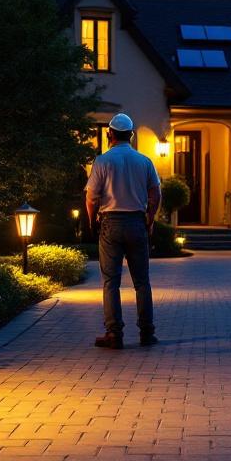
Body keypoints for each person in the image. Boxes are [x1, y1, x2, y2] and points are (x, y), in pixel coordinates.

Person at [85, 113, 162, 349]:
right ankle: (146, 333)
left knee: (111, 282)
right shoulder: (144, 161)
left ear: (109, 134)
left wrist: (92, 222)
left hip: (110, 222)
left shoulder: (103, 161)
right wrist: (149, 220)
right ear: (131, 134)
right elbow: (156, 194)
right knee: (142, 282)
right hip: (137, 222)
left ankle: (114, 334)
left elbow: (91, 197)